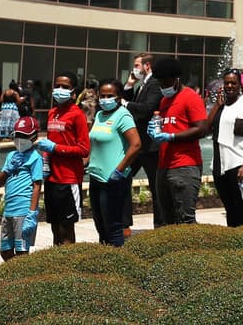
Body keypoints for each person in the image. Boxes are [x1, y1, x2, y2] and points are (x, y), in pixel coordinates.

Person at [148, 57, 208, 226]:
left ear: (176, 79)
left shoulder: (190, 97)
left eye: (164, 81)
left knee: (185, 220)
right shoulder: (164, 100)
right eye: (159, 81)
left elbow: (202, 129)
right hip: (164, 165)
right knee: (166, 218)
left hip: (185, 165)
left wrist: (172, 137)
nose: (162, 85)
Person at [35, 74, 90, 245]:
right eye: (57, 85)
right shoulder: (52, 113)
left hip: (69, 179)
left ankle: (67, 266)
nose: (60, 90)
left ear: (73, 93)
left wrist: (56, 148)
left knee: (67, 228)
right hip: (51, 178)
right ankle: (56, 265)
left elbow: (84, 149)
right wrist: (45, 157)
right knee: (55, 226)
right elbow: (50, 143)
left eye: (65, 87)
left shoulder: (77, 115)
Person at [86, 78, 140, 246]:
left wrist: (119, 170)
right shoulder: (100, 115)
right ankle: (104, 261)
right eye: (102, 95)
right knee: (100, 224)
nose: (105, 99)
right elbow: (94, 143)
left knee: (113, 226)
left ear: (118, 97)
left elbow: (136, 144)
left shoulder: (123, 115)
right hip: (96, 177)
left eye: (110, 95)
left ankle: (118, 264)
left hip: (113, 179)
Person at [209, 70, 243, 226]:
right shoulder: (221, 105)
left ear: (239, 85)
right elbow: (206, 127)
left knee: (241, 209)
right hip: (221, 164)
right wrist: (217, 106)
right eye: (226, 83)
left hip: (239, 163)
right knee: (229, 208)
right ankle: (232, 243)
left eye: (233, 83)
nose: (229, 86)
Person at [0, 116, 42, 261]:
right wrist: (8, 169)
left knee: (22, 252)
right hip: (9, 209)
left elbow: (37, 186)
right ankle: (12, 277)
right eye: (17, 135)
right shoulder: (11, 156)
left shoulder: (35, 158)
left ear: (34, 137)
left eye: (24, 136)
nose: (19, 139)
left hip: (23, 210)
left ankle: (21, 280)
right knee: (5, 250)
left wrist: (32, 213)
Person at [123, 53, 162, 219]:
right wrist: (129, 85)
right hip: (137, 144)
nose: (135, 69)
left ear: (147, 66)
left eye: (137, 66)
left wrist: (126, 103)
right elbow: (128, 106)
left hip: (150, 145)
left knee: (156, 186)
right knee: (123, 178)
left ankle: (161, 224)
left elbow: (147, 108)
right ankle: (124, 223)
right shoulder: (141, 85)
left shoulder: (154, 83)